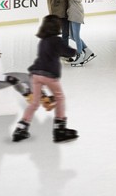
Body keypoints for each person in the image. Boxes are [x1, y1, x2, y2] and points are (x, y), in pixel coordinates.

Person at [11, 15, 80, 143]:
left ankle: (21, 128)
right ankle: (60, 130)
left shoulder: (42, 41)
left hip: (35, 75)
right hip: (49, 75)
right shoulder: (56, 40)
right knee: (60, 98)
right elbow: (67, 52)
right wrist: (75, 51)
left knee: (34, 103)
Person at [48, 0, 96, 66]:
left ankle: (80, 56)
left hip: (75, 12)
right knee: (72, 36)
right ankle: (87, 50)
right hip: (75, 11)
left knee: (76, 36)